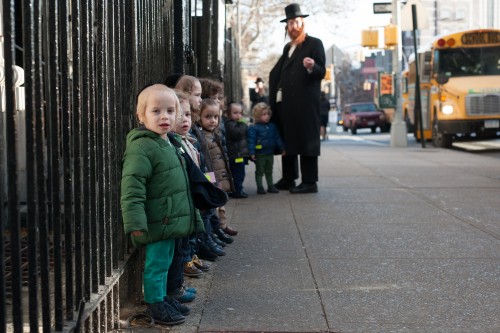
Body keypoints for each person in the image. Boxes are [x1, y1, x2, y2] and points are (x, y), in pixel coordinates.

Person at [120, 84, 204, 325]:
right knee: (157, 264)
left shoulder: (170, 142)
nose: (164, 116)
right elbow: (132, 187)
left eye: (170, 110)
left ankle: (164, 297)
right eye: (156, 111)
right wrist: (135, 223)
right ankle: (155, 304)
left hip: (169, 219)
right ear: (141, 116)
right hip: (157, 221)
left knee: (167, 262)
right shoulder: (141, 146)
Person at [268, 3, 326, 194]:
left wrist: (311, 66)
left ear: (303, 23)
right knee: (288, 140)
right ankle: (289, 178)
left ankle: (310, 182)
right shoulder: (287, 48)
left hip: (305, 104)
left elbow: (321, 71)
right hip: (286, 104)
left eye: (296, 22)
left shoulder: (314, 43)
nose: (293, 26)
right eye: (290, 23)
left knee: (306, 141)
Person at [247, 102, 284, 195]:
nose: (267, 116)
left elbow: (277, 138)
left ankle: (270, 185)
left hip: (269, 153)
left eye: (268, 114)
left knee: (269, 170)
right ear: (257, 116)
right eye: (264, 114)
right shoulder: (254, 128)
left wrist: (282, 148)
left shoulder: (272, 126)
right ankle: (260, 187)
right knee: (260, 171)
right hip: (260, 154)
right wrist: (252, 152)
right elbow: (251, 141)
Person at [224, 102, 249, 198]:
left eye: (240, 113)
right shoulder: (230, 124)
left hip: (239, 154)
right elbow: (236, 134)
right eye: (235, 113)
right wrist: (244, 124)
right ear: (228, 114)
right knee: (238, 174)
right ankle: (238, 191)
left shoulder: (237, 123)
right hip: (236, 155)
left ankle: (236, 189)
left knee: (239, 173)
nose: (238, 115)